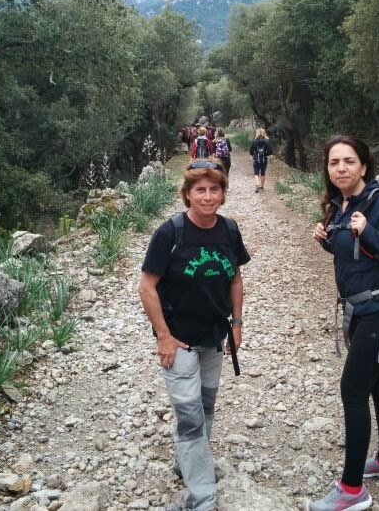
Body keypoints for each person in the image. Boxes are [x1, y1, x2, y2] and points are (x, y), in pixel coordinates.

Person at [310, 135, 379, 511]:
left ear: (363, 165)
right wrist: (327, 240)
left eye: (349, 161)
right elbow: (357, 252)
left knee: (353, 390)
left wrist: (369, 231)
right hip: (360, 311)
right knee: (378, 383)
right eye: (334, 162)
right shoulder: (340, 204)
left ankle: (352, 489)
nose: (341, 168)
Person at [137, 158, 250, 511]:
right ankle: (201, 498)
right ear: (187, 194)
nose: (208, 196)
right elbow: (146, 287)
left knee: (205, 407)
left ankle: (185, 462)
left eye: (215, 189)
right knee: (190, 418)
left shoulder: (229, 230)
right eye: (200, 189)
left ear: (223, 194)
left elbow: (235, 279)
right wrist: (163, 337)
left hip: (214, 336)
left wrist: (237, 324)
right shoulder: (170, 233)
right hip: (179, 340)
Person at [248, 128, 272, 193]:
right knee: (263, 173)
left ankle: (257, 185)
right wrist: (265, 154)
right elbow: (270, 152)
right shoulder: (267, 141)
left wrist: (254, 154)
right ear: (264, 133)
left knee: (256, 173)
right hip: (264, 160)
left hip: (256, 159)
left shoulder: (254, 141)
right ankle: (262, 186)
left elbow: (251, 152)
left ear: (257, 133)